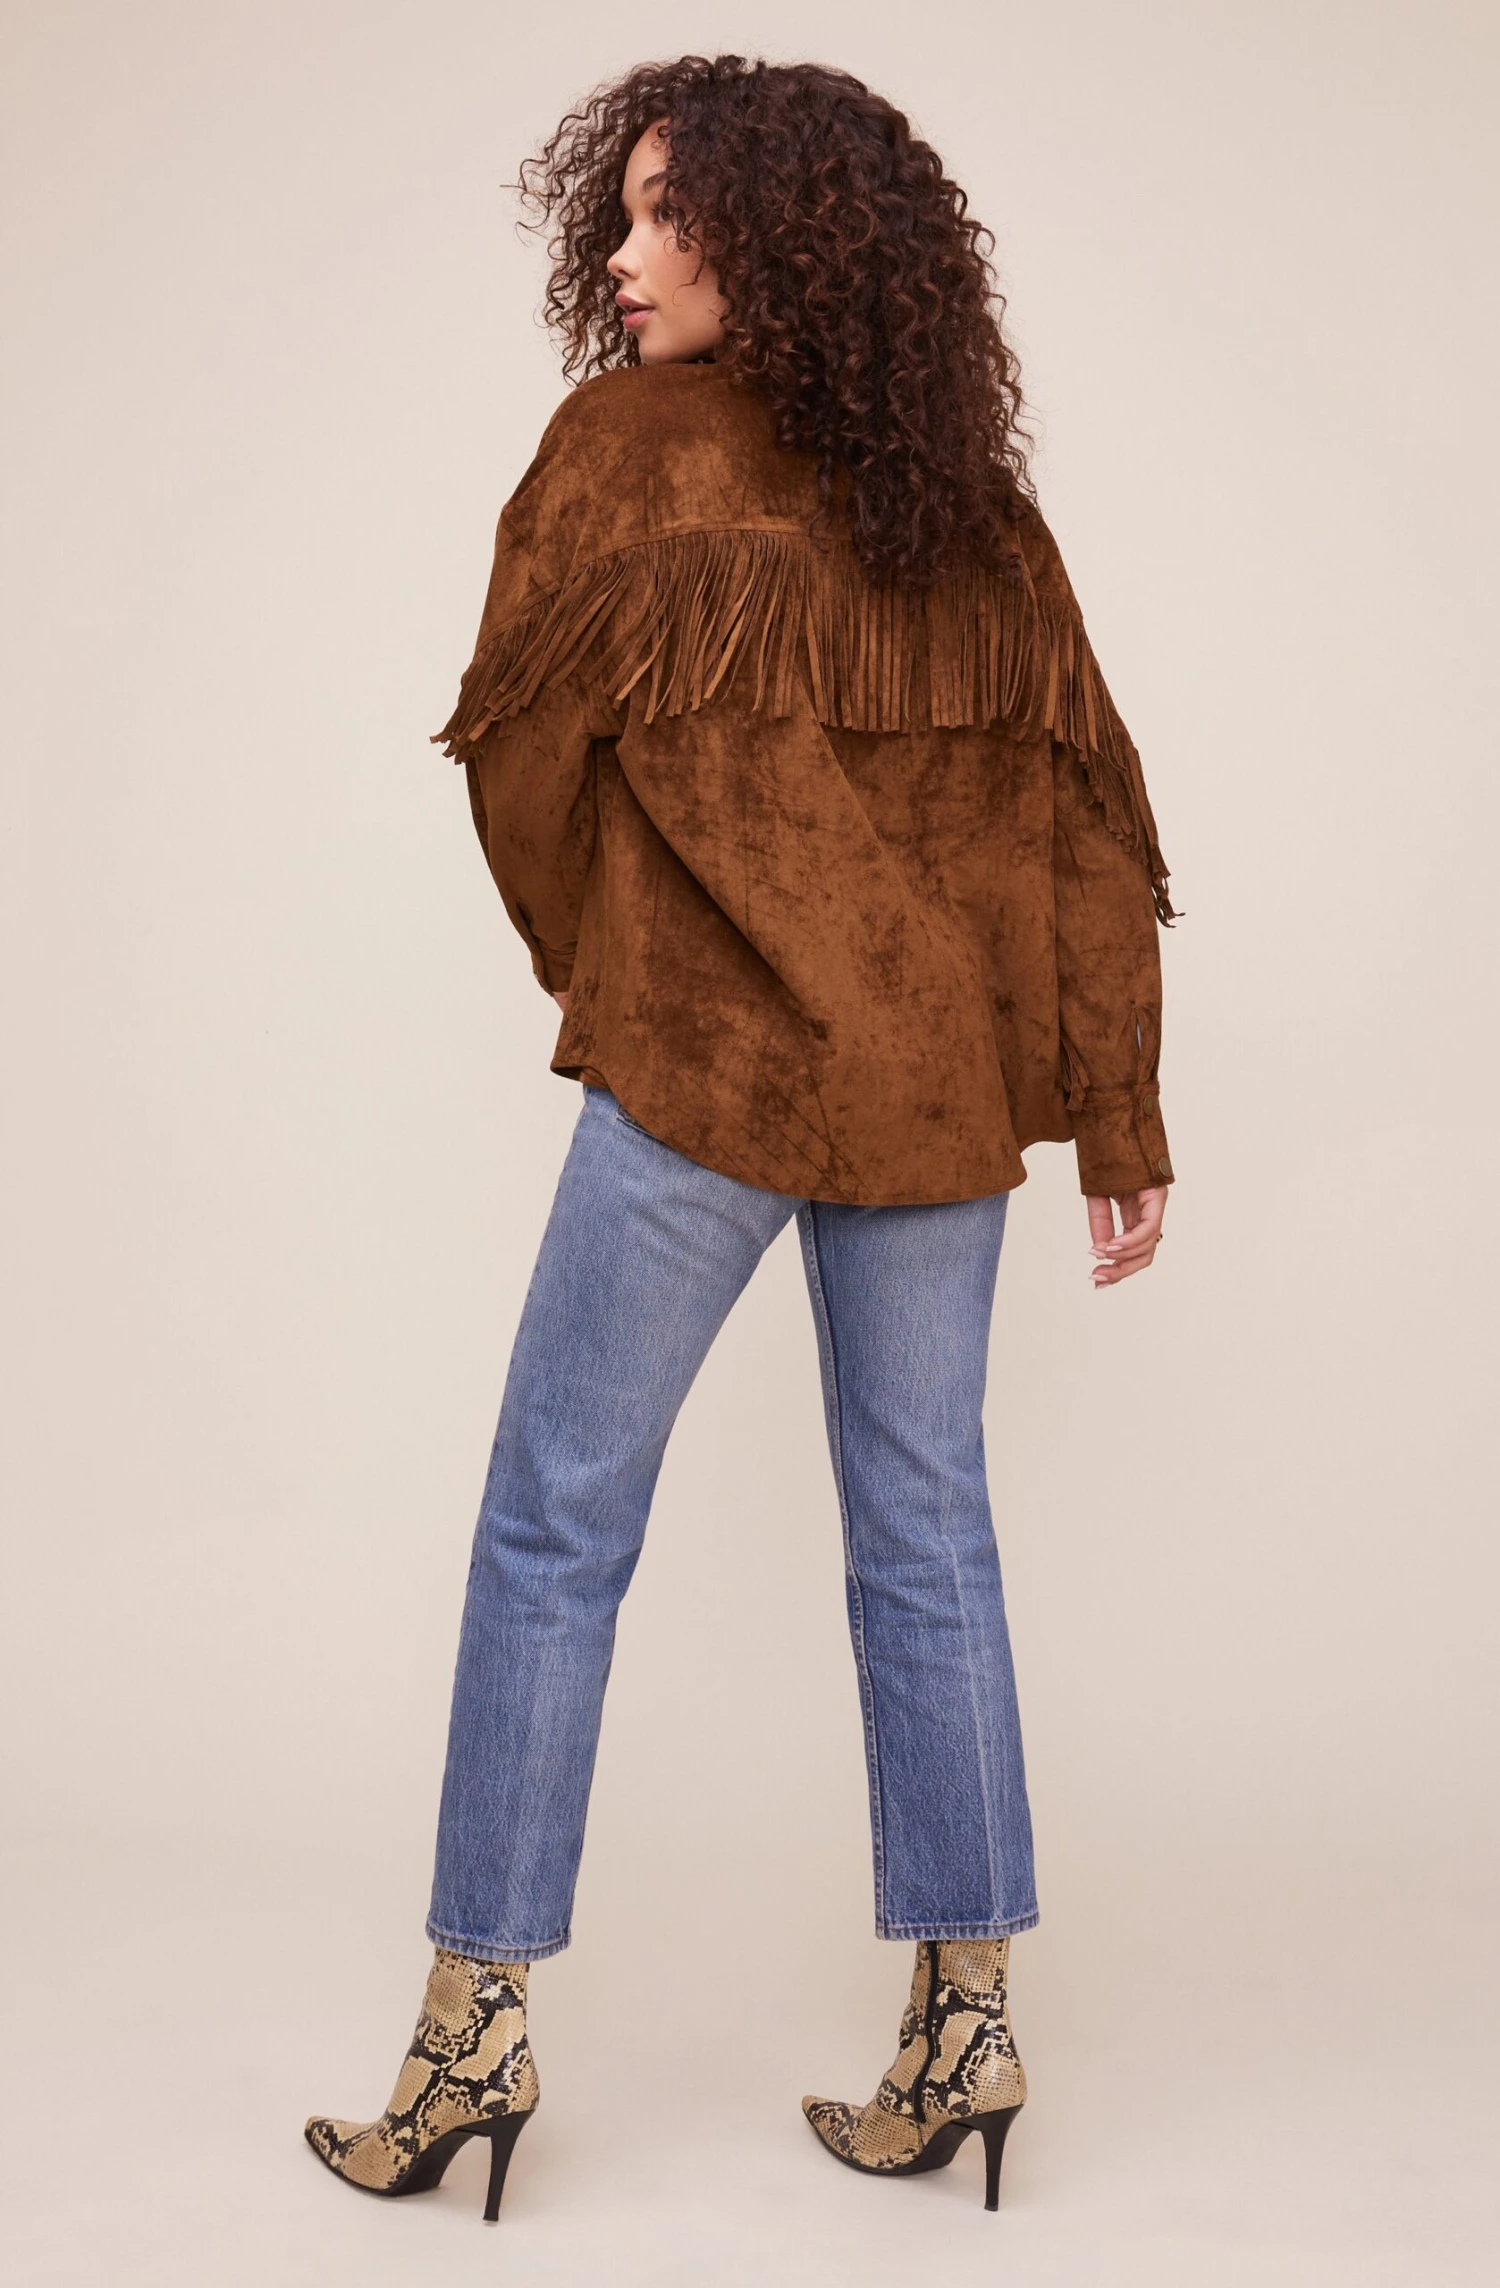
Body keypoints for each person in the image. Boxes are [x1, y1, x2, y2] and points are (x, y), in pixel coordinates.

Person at [304, 53, 1176, 2224]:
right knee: (929, 1535)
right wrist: (1115, 1109)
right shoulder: (974, 511)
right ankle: (968, 2026)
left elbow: (516, 755)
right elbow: (1087, 810)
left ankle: (471, 2039)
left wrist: (620, 957)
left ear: (776, 241)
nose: (621, 253)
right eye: (619, 211)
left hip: (707, 1074)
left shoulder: (621, 457)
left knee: (552, 1532)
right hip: (937, 1097)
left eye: (662, 212)